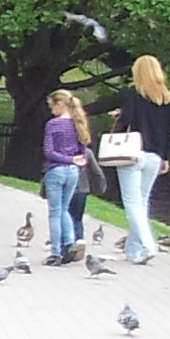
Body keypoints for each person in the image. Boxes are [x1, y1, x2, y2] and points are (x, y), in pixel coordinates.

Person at [113, 54, 170, 264]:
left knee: (132, 203)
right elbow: (167, 130)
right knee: (142, 201)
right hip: (155, 155)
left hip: (133, 152)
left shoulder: (134, 93)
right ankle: (133, 251)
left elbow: (128, 118)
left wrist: (118, 116)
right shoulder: (164, 97)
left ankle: (148, 245)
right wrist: (165, 157)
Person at [43, 88, 94, 263]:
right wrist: (75, 160)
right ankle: (70, 242)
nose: (51, 110)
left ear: (60, 104)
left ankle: (56, 252)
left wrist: (67, 159)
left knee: (55, 212)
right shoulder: (78, 122)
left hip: (56, 170)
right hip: (73, 172)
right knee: (64, 209)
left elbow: (49, 152)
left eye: (52, 106)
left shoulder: (53, 124)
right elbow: (83, 151)